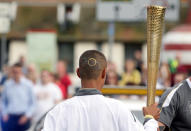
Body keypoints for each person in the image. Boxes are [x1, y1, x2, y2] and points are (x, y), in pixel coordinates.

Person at [42, 50, 160, 131]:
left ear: (78, 73)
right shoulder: (118, 109)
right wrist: (150, 118)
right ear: (104, 73)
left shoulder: (58, 111)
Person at [1, 63, 36, 131]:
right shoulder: (7, 85)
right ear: (12, 72)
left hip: (23, 118)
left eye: (18, 72)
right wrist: (4, 114)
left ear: (21, 72)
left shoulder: (28, 85)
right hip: (10, 118)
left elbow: (33, 103)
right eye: (14, 72)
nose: (16, 74)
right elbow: (3, 101)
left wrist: (27, 116)